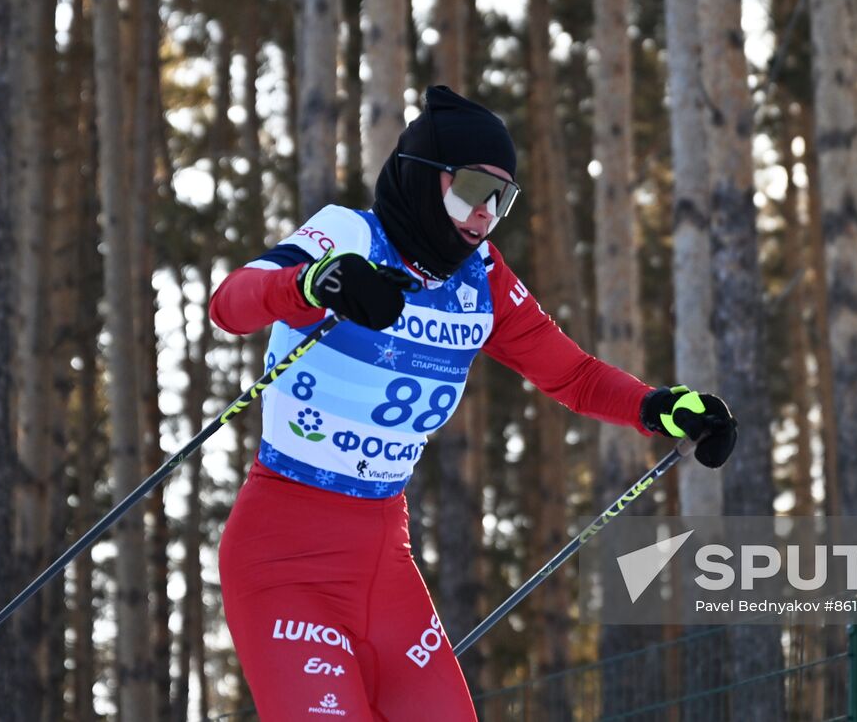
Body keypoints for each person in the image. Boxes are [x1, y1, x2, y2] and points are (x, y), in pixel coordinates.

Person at [209, 85, 737, 721]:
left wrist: (656, 407)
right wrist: (313, 283)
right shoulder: (350, 235)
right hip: (285, 553)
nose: (484, 214)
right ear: (423, 175)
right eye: (471, 189)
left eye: (501, 198)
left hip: (383, 558)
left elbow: (572, 375)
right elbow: (231, 302)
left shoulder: (480, 278)